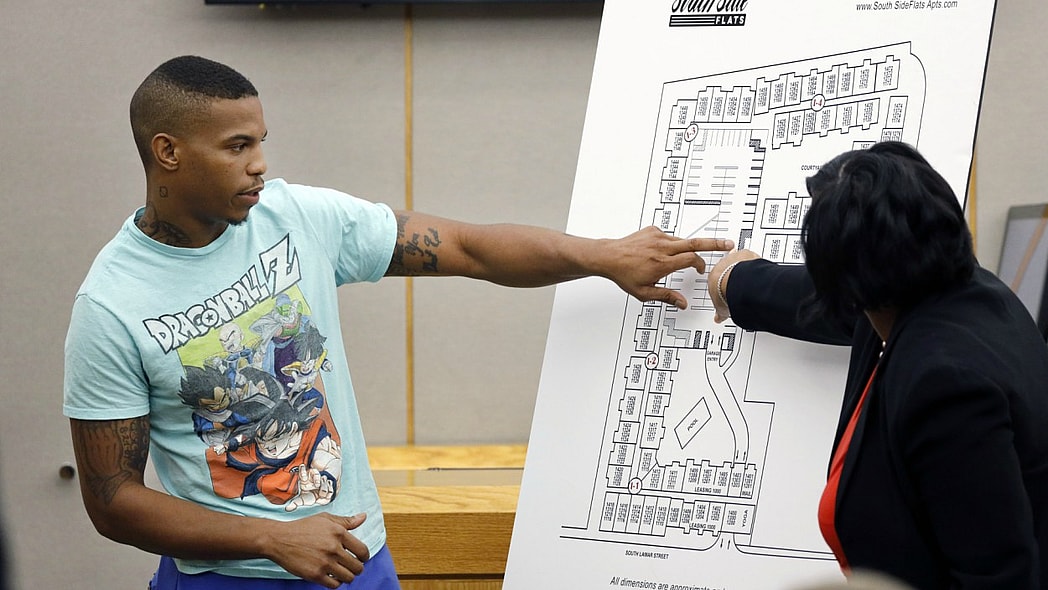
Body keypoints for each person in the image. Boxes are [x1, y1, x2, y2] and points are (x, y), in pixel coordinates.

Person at [62, 55, 734, 590]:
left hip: (358, 563)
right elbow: (113, 499)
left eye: (261, 142)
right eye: (237, 146)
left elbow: (469, 247)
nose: (260, 163)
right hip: (227, 580)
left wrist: (600, 256)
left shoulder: (298, 219)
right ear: (169, 152)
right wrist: (269, 538)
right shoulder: (112, 304)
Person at [709, 141, 1048, 589]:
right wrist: (734, 282)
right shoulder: (956, 289)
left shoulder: (947, 386)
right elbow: (819, 302)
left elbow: (998, 578)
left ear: (846, 283)